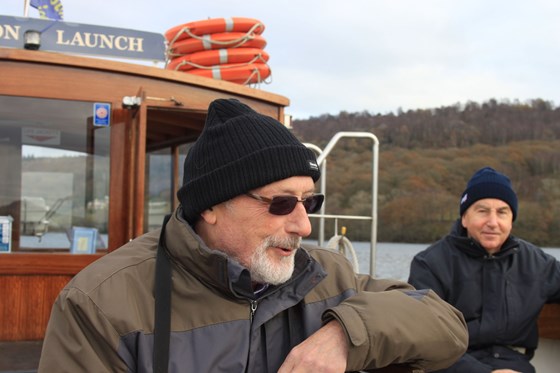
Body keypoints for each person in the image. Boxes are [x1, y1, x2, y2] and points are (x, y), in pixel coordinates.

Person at [39, 98, 467, 373]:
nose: (304, 226)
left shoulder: (326, 276)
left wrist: (345, 336)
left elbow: (445, 326)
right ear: (210, 205)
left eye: (309, 202)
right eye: (281, 203)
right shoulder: (101, 304)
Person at [408, 166, 560, 373]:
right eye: (482, 211)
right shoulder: (430, 263)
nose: (493, 222)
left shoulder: (538, 263)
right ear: (464, 218)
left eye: (502, 212)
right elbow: (424, 337)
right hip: (451, 366)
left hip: (515, 364)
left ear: (511, 220)